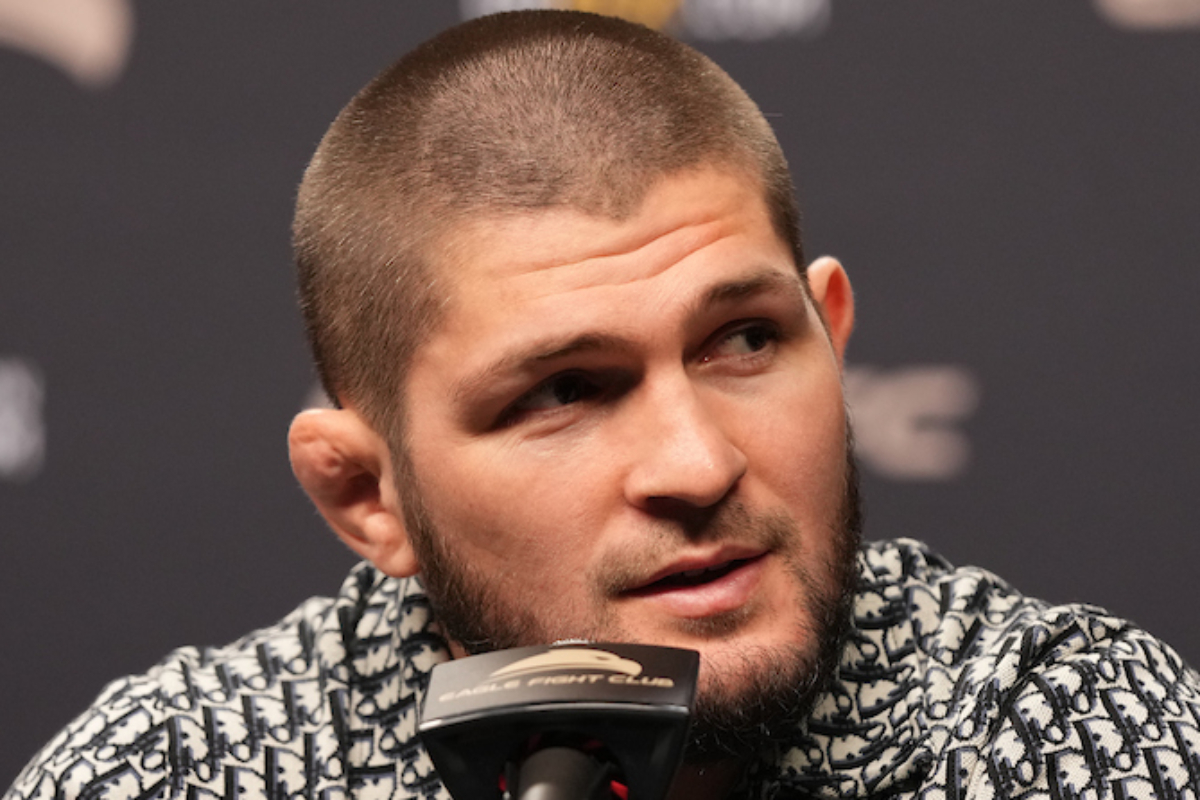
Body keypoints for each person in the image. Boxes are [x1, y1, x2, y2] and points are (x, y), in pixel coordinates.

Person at [6, 9, 1199, 800]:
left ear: (830, 334)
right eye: (563, 391)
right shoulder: (176, 770)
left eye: (744, 339)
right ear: (366, 492)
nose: (697, 462)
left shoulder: (1072, 734)